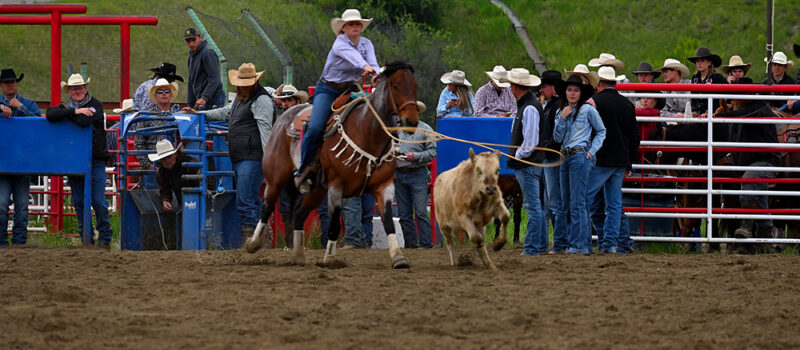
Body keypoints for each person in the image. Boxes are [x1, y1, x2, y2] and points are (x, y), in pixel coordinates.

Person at [183, 63, 275, 239]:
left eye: (245, 83)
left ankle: (252, 240)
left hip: (252, 157)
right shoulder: (243, 100)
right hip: (243, 156)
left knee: (245, 201)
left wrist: (269, 160)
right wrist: (200, 114)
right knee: (250, 200)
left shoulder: (260, 100)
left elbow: (266, 131)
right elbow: (225, 112)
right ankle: (258, 240)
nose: (242, 86)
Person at [294, 8, 379, 193]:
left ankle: (370, 161)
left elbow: (373, 63)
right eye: (351, 24)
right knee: (316, 127)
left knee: (372, 117)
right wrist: (366, 67)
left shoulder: (367, 44)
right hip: (328, 89)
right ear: (343, 28)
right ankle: (304, 168)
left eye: (358, 24)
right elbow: (356, 59)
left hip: (350, 88)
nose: (355, 26)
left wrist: (378, 75)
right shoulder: (339, 44)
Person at [45, 74, 113, 249]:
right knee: (79, 202)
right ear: (69, 91)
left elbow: (83, 122)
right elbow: (50, 115)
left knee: (98, 201)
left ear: (85, 88)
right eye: (74, 88)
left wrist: (67, 115)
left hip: (94, 159)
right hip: (76, 161)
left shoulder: (95, 105)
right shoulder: (71, 107)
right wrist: (75, 111)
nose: (77, 91)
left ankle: (104, 238)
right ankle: (87, 239)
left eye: (80, 87)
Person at [585, 66, 640, 254]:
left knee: (585, 198)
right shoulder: (627, 105)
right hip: (620, 161)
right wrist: (629, 162)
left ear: (599, 83)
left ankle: (584, 241)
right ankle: (611, 244)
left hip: (600, 159)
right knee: (614, 204)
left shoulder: (593, 102)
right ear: (614, 83)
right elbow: (634, 137)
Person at [720, 78, 780, 244]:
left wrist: (716, 116)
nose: (735, 99)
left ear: (749, 93)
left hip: (766, 161)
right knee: (759, 198)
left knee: (750, 179)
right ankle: (765, 240)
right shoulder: (747, 110)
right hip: (749, 162)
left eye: (738, 94)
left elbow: (740, 115)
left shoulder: (758, 107)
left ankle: (745, 228)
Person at [553, 75, 606, 255]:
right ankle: (578, 243)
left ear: (581, 93)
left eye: (576, 90)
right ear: (565, 92)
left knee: (577, 201)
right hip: (565, 156)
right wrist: (561, 118)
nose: (572, 93)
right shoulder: (561, 111)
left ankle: (579, 244)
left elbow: (601, 131)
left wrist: (593, 150)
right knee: (567, 202)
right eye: (569, 90)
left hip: (580, 155)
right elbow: (557, 138)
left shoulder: (588, 110)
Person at [500, 68, 546, 256]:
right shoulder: (527, 106)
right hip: (529, 164)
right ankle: (539, 245)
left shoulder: (528, 108)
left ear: (517, 87)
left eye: (511, 85)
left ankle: (533, 247)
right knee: (535, 205)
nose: (510, 88)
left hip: (527, 165)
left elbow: (530, 141)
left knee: (533, 206)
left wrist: (516, 155)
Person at [0, 68, 41, 248]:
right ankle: (4, 243)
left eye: (13, 82)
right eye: (7, 82)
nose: (10, 85)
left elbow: (40, 124)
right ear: (2, 86)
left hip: (21, 162)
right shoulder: (28, 104)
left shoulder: (28, 104)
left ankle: (18, 244)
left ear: (16, 84)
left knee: (22, 206)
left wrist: (20, 108)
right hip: (6, 162)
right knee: (2, 205)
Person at [395, 101, 437, 249]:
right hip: (399, 173)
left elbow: (432, 152)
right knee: (404, 214)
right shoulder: (397, 129)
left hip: (417, 172)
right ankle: (411, 245)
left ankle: (426, 244)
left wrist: (417, 156)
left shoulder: (426, 129)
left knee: (420, 212)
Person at [538, 70, 567, 254]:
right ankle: (559, 241)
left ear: (553, 87)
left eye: (545, 86)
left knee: (555, 202)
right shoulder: (554, 105)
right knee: (553, 202)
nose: (542, 89)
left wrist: (545, 146)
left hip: (553, 156)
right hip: (551, 155)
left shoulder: (556, 106)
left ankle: (559, 242)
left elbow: (556, 135)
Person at [134, 78, 181, 189]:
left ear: (171, 94)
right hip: (154, 166)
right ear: (155, 96)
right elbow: (138, 144)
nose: (163, 94)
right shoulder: (146, 116)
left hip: (173, 167)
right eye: (160, 91)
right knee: (154, 199)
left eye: (167, 91)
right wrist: (148, 166)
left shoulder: (178, 116)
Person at [147, 140, 200, 212]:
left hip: (199, 201)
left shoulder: (191, 165)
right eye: (163, 159)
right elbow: (165, 189)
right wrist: (165, 200)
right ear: (160, 160)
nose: (167, 161)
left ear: (175, 154)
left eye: (169, 157)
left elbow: (206, 184)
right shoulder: (161, 172)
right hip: (185, 204)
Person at [184, 27, 225, 110]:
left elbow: (215, 78)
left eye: (193, 40)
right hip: (202, 98)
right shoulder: (191, 55)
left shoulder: (207, 52)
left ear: (200, 37)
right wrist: (190, 104)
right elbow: (191, 80)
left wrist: (204, 97)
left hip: (213, 97)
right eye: (188, 41)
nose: (191, 44)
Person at [687, 47, 727, 115]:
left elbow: (726, 97)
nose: (699, 63)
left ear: (709, 62)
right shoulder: (695, 78)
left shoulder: (717, 77)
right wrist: (694, 112)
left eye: (702, 60)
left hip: (712, 114)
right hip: (697, 114)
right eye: (697, 61)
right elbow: (693, 99)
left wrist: (713, 111)